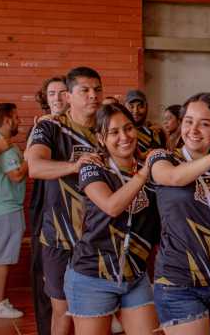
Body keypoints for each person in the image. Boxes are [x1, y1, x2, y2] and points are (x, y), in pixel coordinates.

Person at [63, 103, 158, 335]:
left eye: (128, 128)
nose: (124, 137)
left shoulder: (151, 168)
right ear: (100, 138)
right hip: (92, 275)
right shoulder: (93, 167)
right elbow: (111, 206)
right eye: (114, 132)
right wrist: (143, 174)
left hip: (135, 274)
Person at [150, 93, 210, 335]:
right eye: (188, 121)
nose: (194, 130)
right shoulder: (163, 158)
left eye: (205, 123)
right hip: (178, 282)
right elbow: (174, 177)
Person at [26, 66, 103, 335]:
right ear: (69, 96)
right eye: (85, 90)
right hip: (60, 236)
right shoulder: (50, 126)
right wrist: (73, 166)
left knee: (95, 313)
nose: (93, 95)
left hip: (99, 238)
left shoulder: (107, 129)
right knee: (62, 312)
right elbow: (35, 166)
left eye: (97, 89)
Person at [29, 75, 69, 335]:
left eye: (62, 92)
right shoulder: (43, 126)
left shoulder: (81, 127)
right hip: (46, 205)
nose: (57, 98)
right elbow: (31, 164)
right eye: (52, 93)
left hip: (75, 210)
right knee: (45, 275)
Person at [0, 103, 27, 319]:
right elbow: (16, 175)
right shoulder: (2, 142)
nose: (19, 121)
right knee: (2, 258)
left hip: (0, 207)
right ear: (7, 120)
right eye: (16, 117)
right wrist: (30, 158)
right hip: (6, 209)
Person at [124, 90, 167, 154]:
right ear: (124, 108)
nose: (135, 111)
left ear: (146, 107)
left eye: (140, 107)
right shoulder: (122, 134)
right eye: (131, 107)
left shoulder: (156, 131)